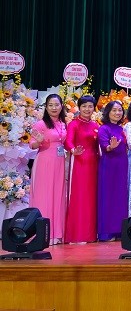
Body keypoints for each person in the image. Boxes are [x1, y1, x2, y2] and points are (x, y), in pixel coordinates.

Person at [29, 94, 67, 244]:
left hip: (59, 163)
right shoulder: (40, 124)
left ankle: (57, 233)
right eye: (50, 105)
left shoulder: (63, 123)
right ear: (46, 107)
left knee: (58, 196)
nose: (54, 108)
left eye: (56, 105)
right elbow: (32, 145)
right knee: (44, 196)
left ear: (61, 106)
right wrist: (38, 142)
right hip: (45, 161)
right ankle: (43, 233)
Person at [65, 95, 100, 243]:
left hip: (94, 164)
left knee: (91, 199)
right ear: (79, 107)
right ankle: (76, 234)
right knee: (79, 197)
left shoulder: (95, 125)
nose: (87, 109)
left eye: (90, 106)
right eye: (84, 106)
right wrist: (74, 150)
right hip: (79, 163)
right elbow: (68, 142)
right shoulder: (74, 124)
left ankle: (90, 234)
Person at [98, 101, 128, 240]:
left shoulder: (122, 129)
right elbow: (105, 147)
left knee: (120, 196)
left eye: (120, 110)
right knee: (108, 196)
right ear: (108, 112)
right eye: (114, 110)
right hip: (109, 165)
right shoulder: (103, 128)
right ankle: (106, 232)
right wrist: (111, 147)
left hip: (122, 164)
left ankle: (119, 230)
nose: (117, 113)